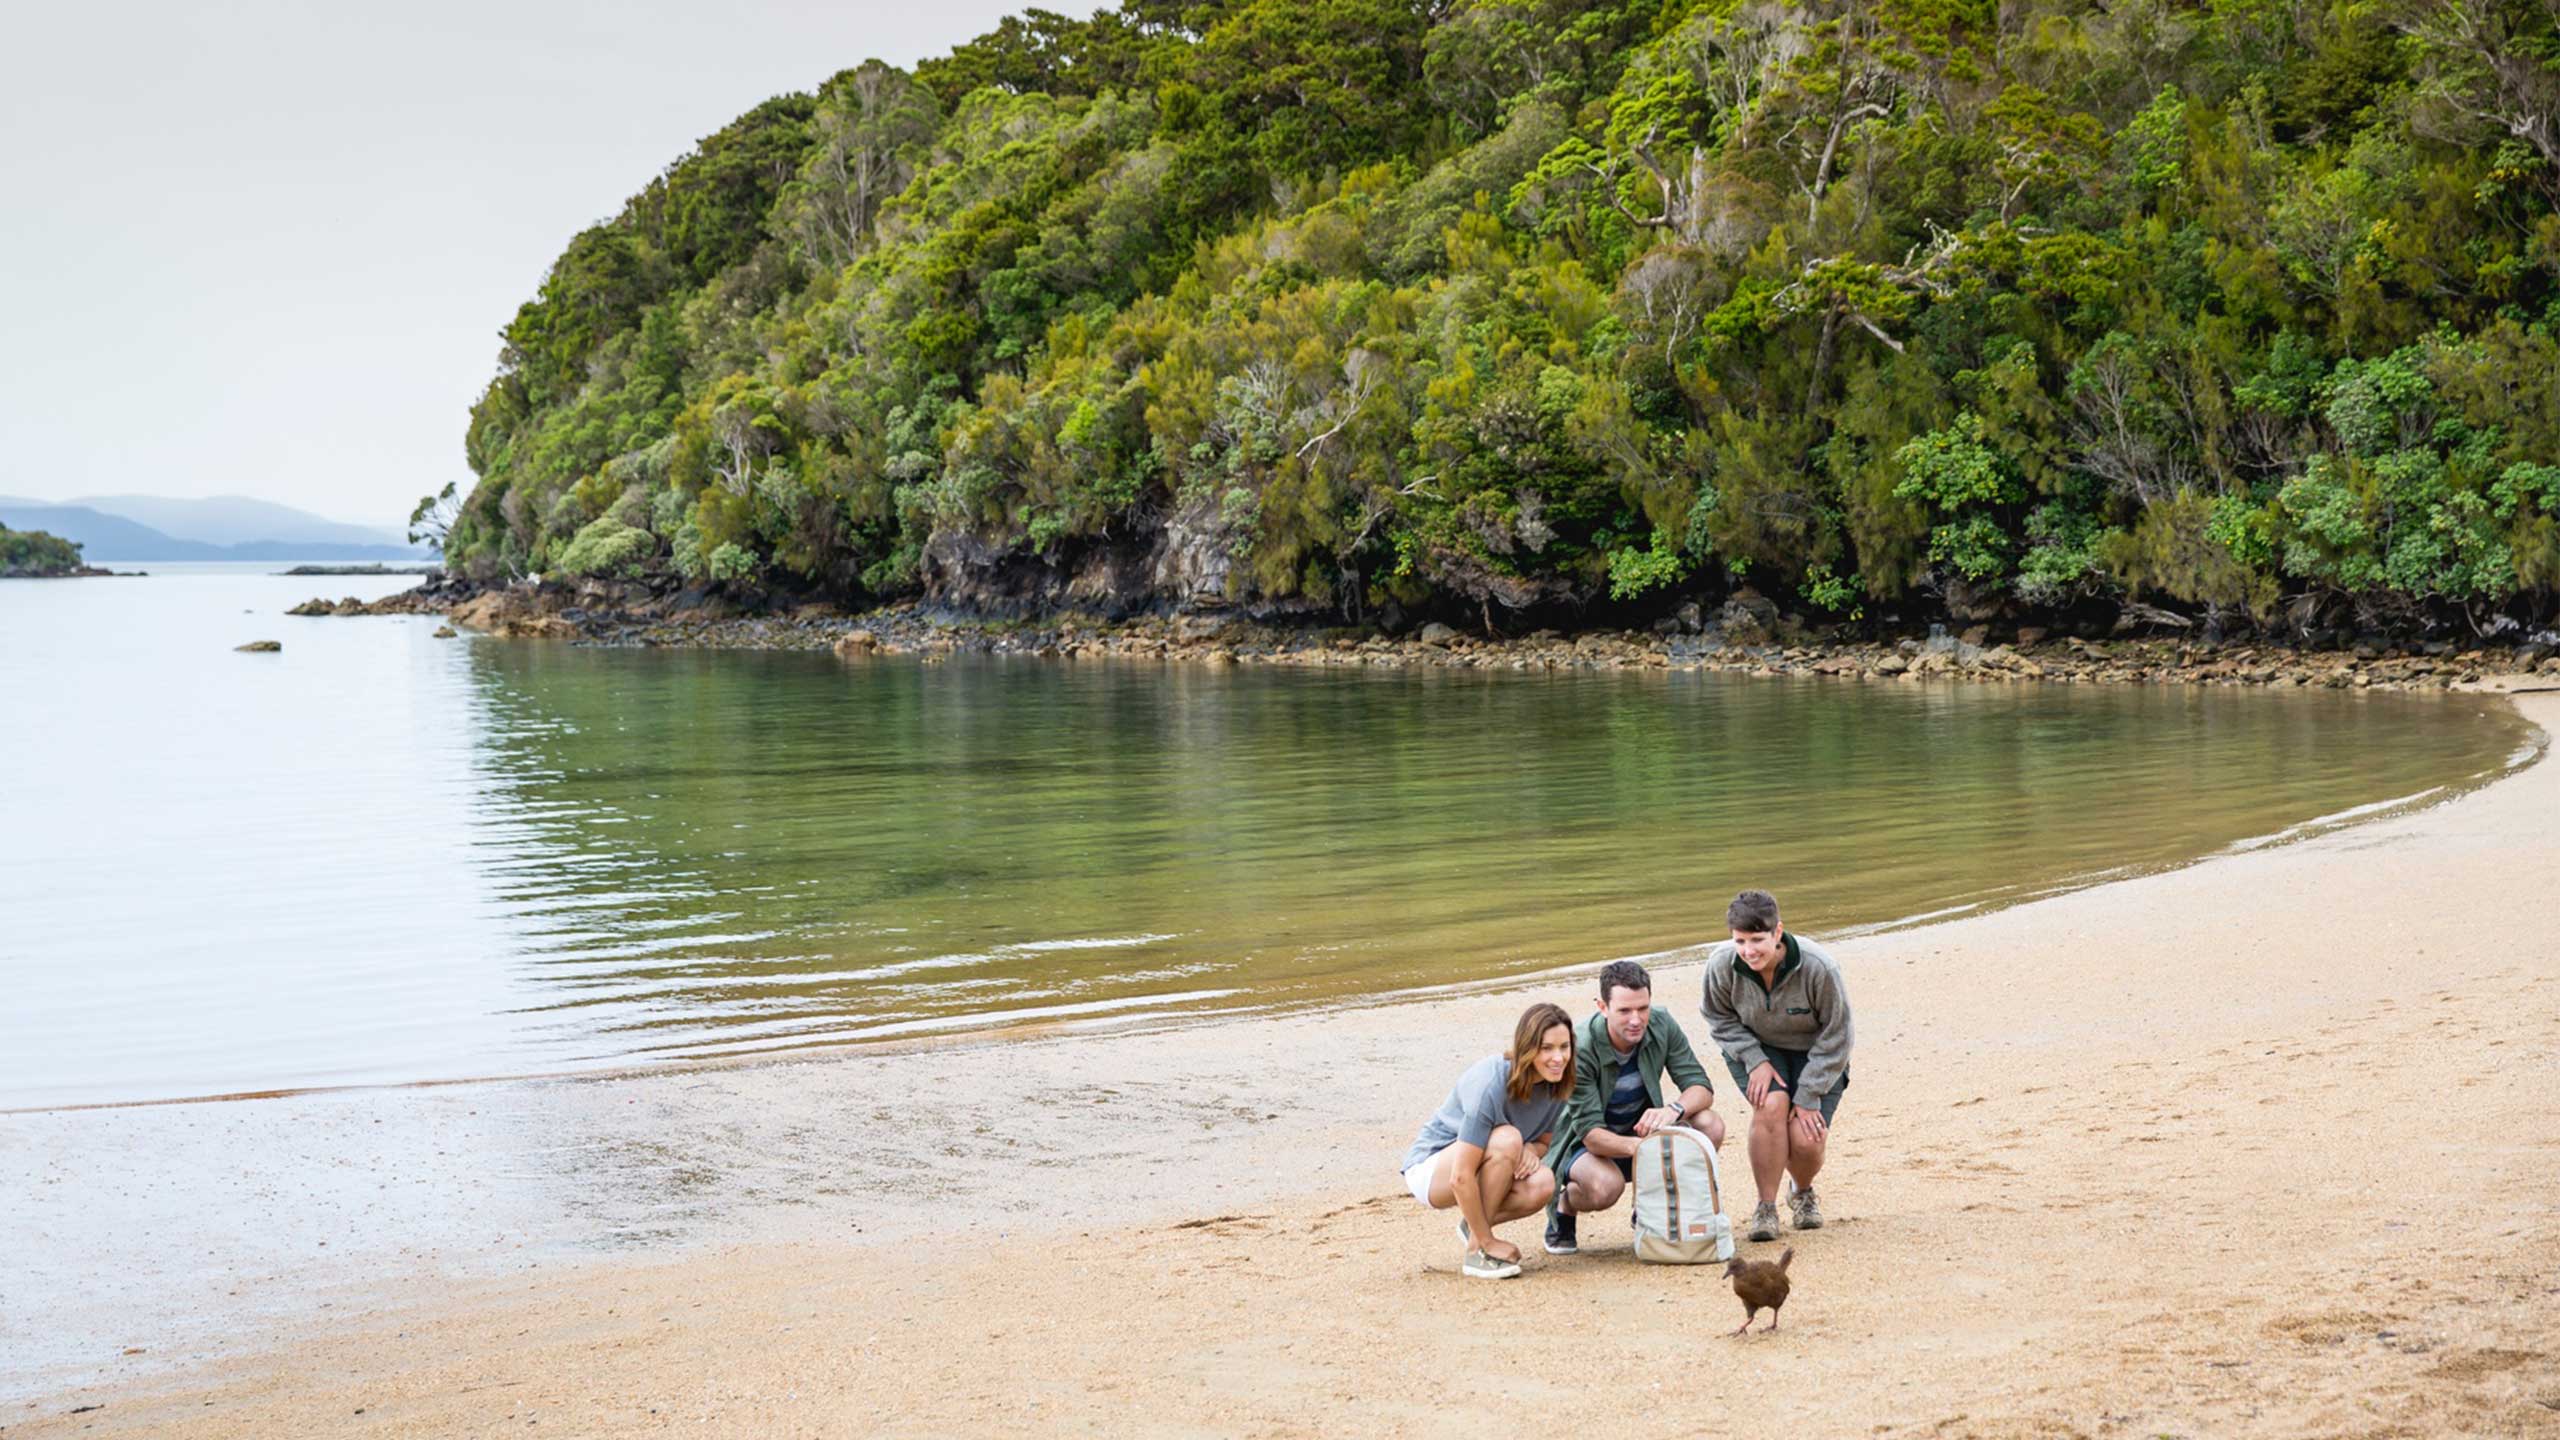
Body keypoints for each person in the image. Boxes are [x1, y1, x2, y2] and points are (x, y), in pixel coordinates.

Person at [1541, 959, 1727, 1256]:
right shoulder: (1580, 1047)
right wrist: (1651, 1149)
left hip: (1640, 1131)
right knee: (1605, 1187)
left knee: (1709, 1124)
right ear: (1602, 1007)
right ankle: (1565, 1206)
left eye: (1643, 1008)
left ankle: (1650, 1207)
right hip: (1586, 1145)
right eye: (1624, 1011)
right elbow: (1592, 1135)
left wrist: (1673, 1110)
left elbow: (1701, 1087)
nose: (1636, 1020)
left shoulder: (1662, 1023)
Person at [1700, 888, 1853, 1242]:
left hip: (1816, 1052)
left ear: (1778, 932)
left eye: (1757, 940)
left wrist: (1809, 1093)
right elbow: (1717, 1016)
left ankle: (1802, 1191)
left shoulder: (1819, 967)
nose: (1748, 950)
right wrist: (1754, 1060)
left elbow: (1838, 1034)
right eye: (1740, 941)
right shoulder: (1721, 964)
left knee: (1805, 1137)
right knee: (1771, 1105)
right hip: (1758, 1048)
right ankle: (1765, 1207)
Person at [1401, 1001, 1575, 1278]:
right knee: (1509, 1138)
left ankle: (1473, 1229)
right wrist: (1489, 1240)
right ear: (1527, 1048)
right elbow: (1460, 1176)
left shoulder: (1557, 1084)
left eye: (1564, 1047)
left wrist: (1531, 1149)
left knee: (1543, 1182)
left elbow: (1544, 1141)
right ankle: (1478, 1249)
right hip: (1432, 1170)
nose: (1558, 1057)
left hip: (1484, 1161)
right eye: (1546, 1048)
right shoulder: (1489, 1083)